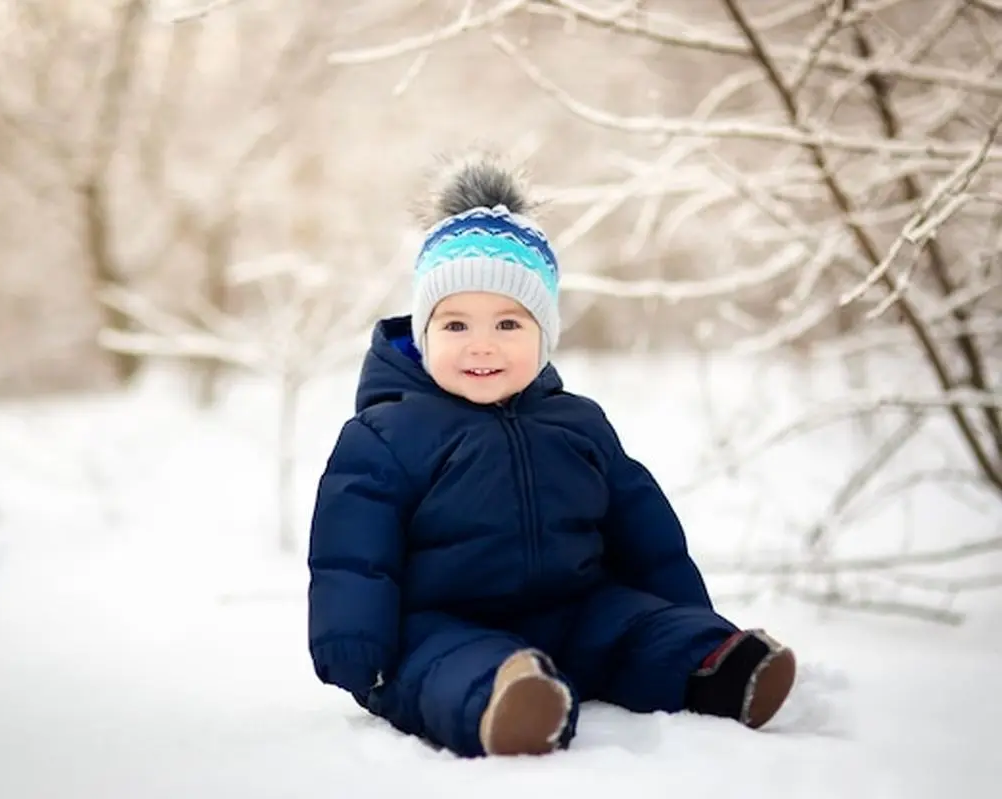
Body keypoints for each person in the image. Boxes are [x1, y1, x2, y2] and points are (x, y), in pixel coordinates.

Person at [306, 155, 796, 758]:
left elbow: (645, 533)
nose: (481, 344)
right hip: (443, 622)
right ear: (424, 332)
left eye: (509, 325)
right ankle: (507, 702)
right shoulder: (385, 433)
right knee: (448, 662)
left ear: (545, 334)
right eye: (456, 325)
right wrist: (354, 647)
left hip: (573, 612)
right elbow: (352, 553)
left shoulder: (578, 423)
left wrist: (688, 616)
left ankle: (717, 670)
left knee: (635, 626)